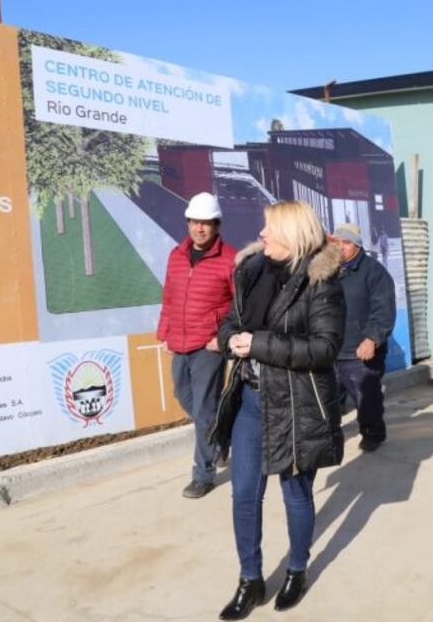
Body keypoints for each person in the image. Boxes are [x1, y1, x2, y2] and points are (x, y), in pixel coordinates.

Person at [210, 200, 345, 619]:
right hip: (251, 399)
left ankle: (297, 570)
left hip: (295, 404)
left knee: (295, 494)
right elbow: (232, 322)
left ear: (293, 235)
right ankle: (250, 580)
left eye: (270, 228)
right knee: (244, 495)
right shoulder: (251, 271)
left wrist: (258, 344)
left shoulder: (321, 280)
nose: (262, 234)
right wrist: (232, 338)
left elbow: (325, 348)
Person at [156, 192, 237, 499]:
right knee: (182, 394)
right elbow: (170, 297)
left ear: (216, 225)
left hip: (209, 345)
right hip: (180, 340)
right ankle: (221, 433)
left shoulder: (229, 259)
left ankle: (203, 474)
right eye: (194, 222)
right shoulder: (176, 256)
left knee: (203, 409)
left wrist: (223, 338)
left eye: (206, 223)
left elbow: (238, 307)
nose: (199, 228)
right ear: (188, 222)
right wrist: (165, 331)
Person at [329, 223, 397, 452]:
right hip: (331, 349)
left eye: (345, 243)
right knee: (328, 399)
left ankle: (372, 432)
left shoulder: (374, 272)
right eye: (336, 242)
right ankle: (330, 434)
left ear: (357, 246)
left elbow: (384, 311)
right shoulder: (327, 270)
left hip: (360, 351)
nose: (340, 247)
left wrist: (371, 339)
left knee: (366, 399)